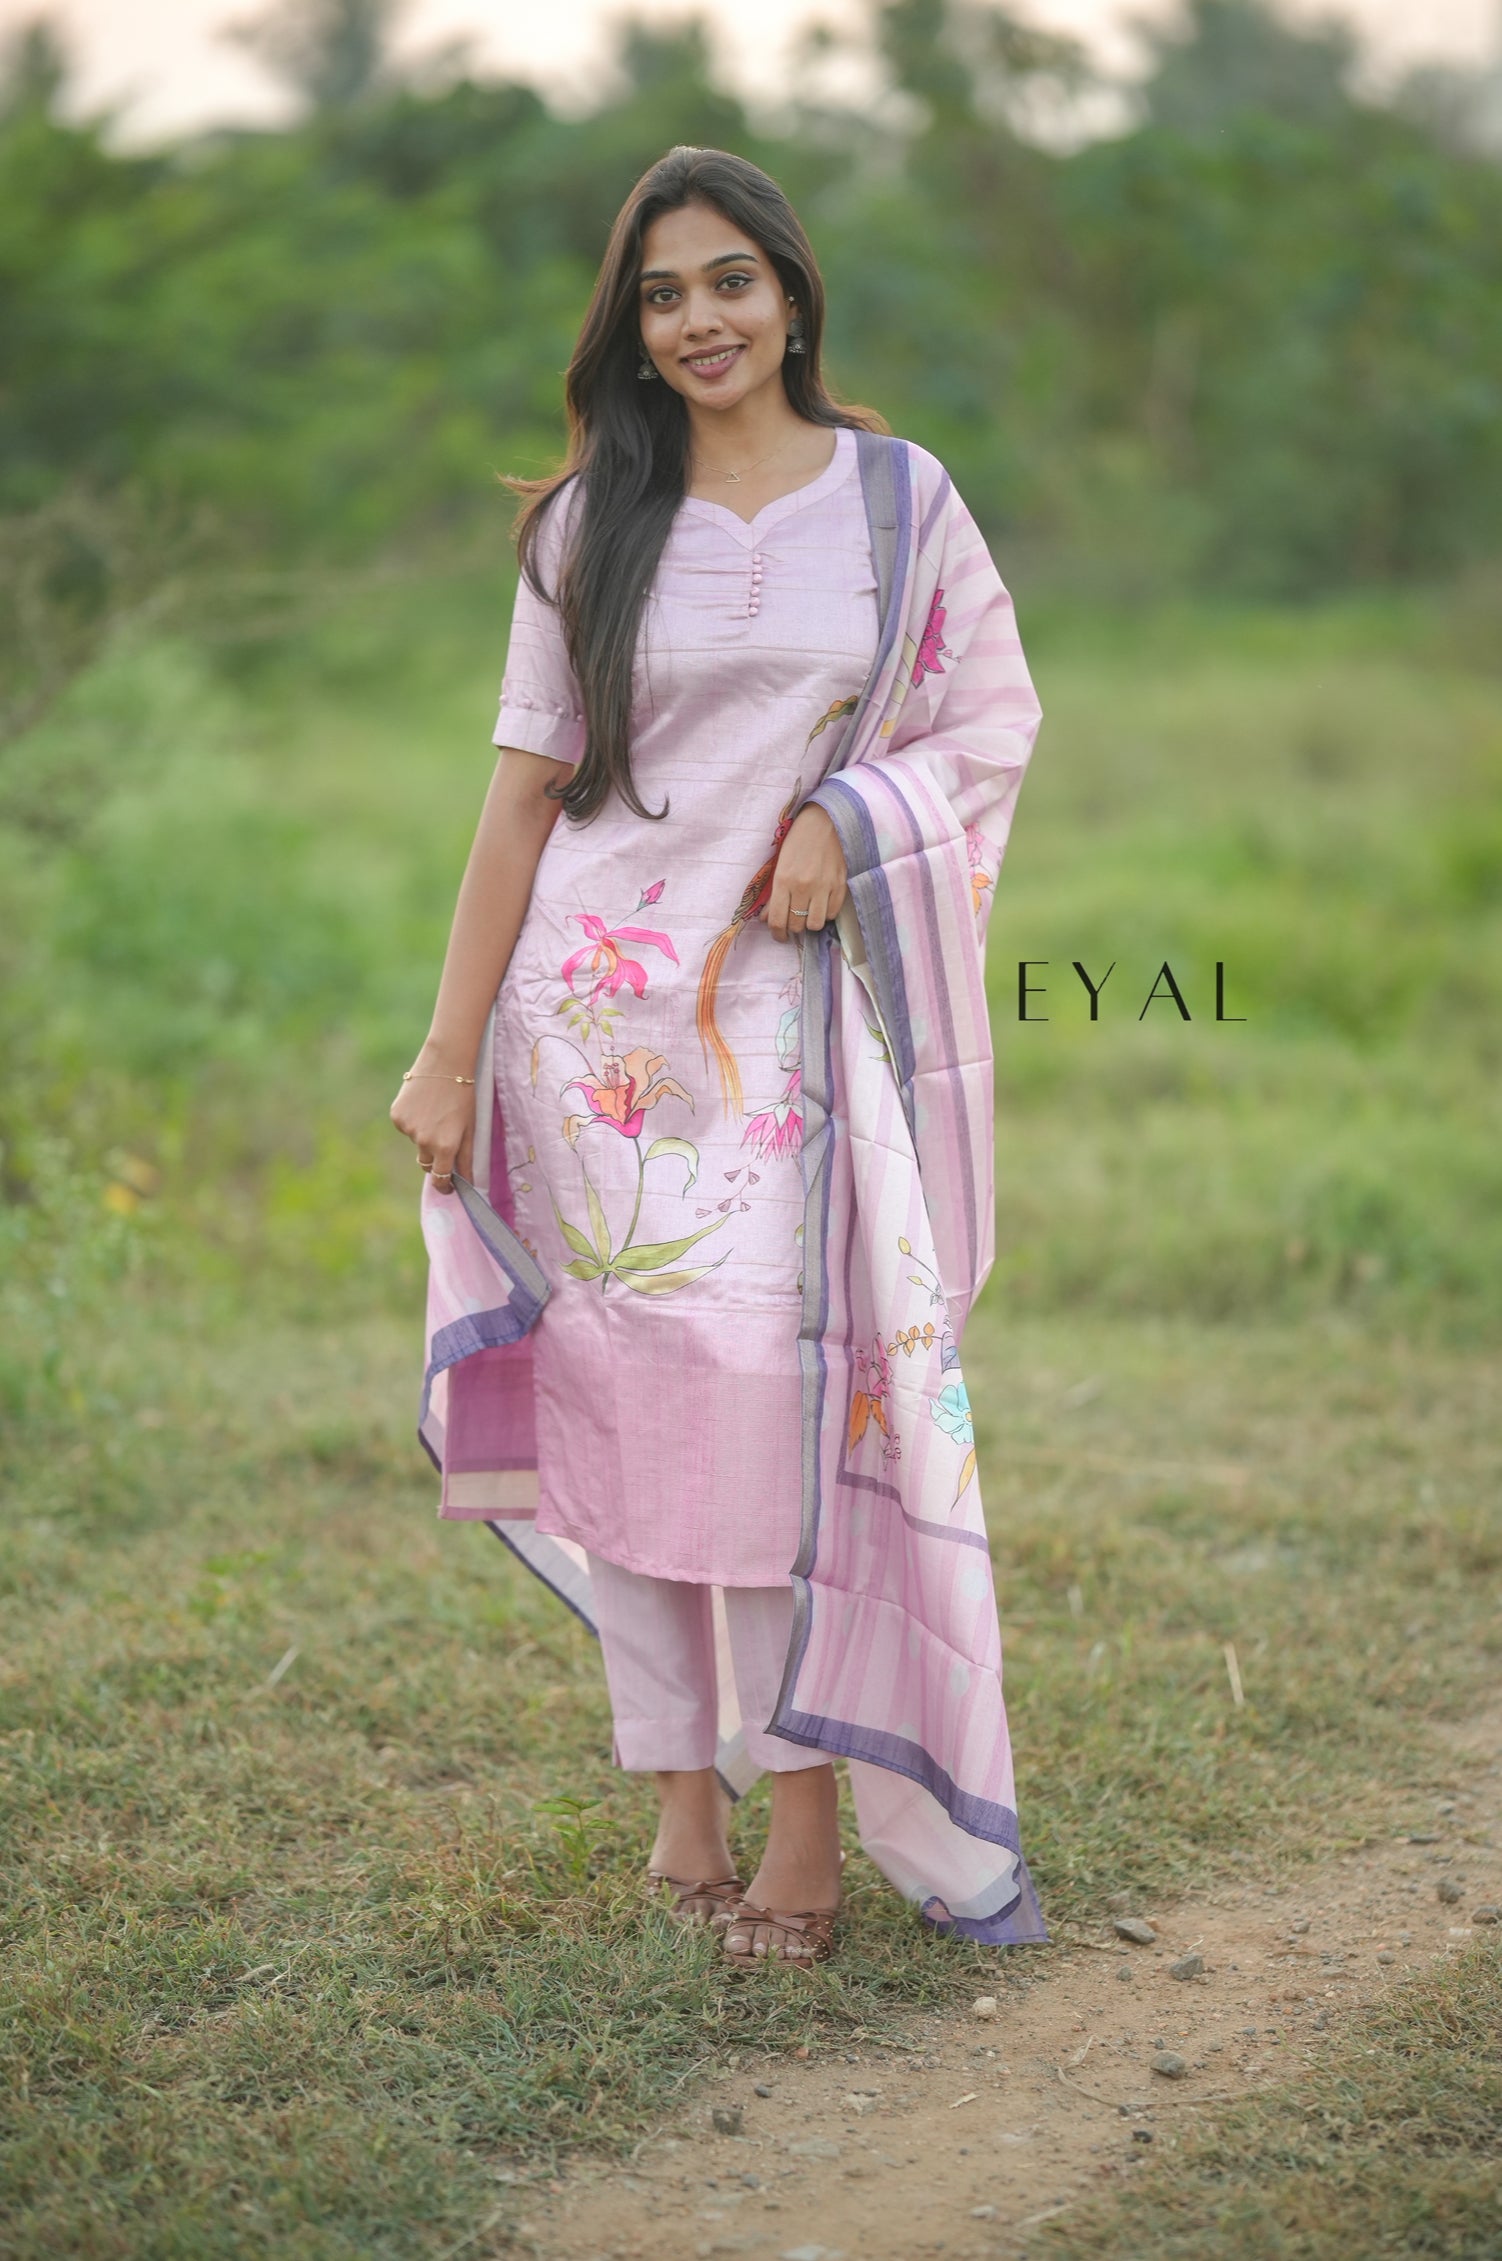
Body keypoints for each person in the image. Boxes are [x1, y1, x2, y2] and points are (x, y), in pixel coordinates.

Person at [392, 146, 1046, 1968]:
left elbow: (990, 722)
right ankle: (680, 1788)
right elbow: (521, 800)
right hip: (591, 1036)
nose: (700, 320)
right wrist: (448, 1051)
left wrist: (848, 810)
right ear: (629, 326)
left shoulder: (900, 503)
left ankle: (806, 1808)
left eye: (730, 282)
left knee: (776, 1410)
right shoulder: (583, 525)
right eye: (663, 294)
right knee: (627, 1410)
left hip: (789, 1036)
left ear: (792, 293)